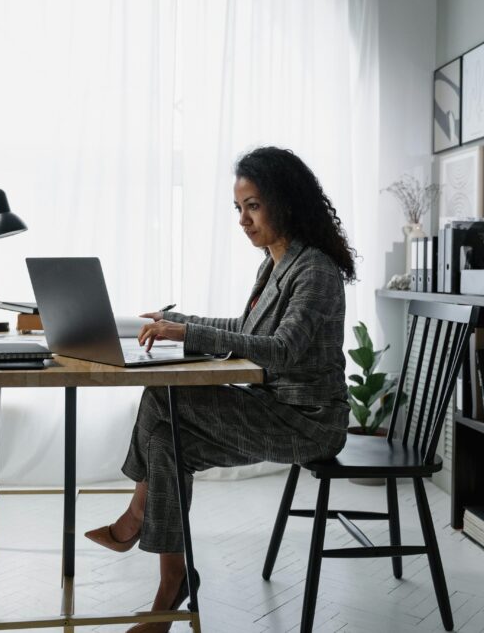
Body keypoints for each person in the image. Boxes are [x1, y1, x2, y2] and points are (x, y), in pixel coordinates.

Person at [85, 146, 357, 632]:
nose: (243, 220)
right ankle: (171, 586)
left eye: (253, 206)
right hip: (273, 407)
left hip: (308, 422)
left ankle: (136, 518)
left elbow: (281, 350)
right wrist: (180, 320)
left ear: (285, 202)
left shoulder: (314, 269)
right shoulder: (276, 263)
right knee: (166, 441)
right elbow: (246, 326)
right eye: (239, 208)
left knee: (160, 395)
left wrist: (188, 335)